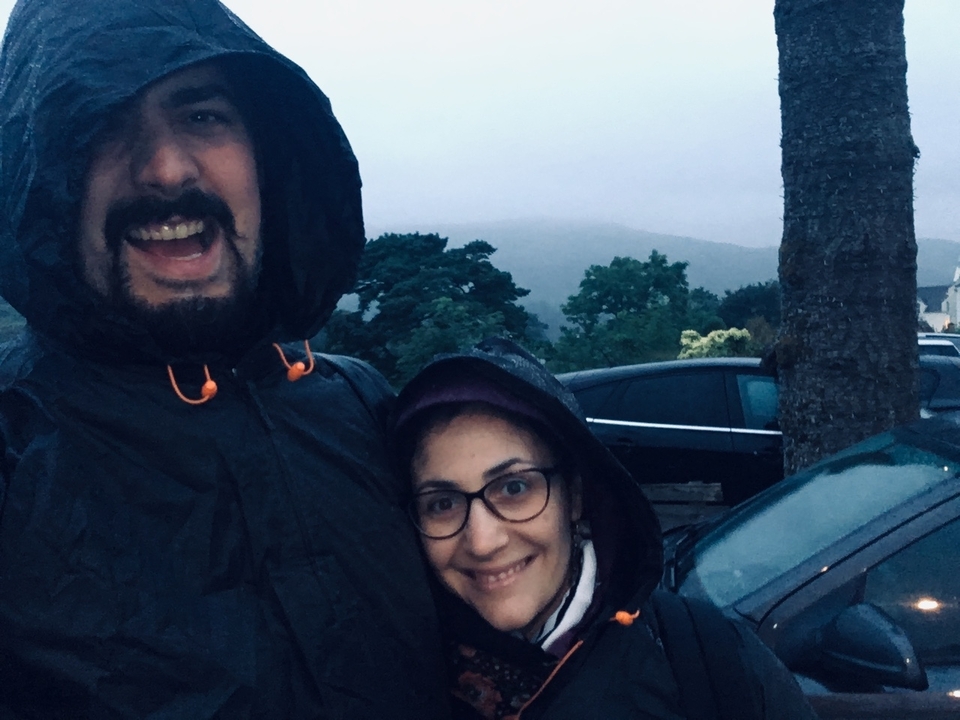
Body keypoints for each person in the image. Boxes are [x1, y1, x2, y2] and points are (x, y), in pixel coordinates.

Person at [0, 0, 448, 717]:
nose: (166, 169)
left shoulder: (364, 408)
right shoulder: (15, 451)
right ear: (40, 179)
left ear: (267, 157)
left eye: (203, 116)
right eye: (102, 126)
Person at [392, 338, 819, 720]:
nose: (483, 541)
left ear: (574, 496)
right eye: (443, 504)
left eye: (514, 487)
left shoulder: (704, 660)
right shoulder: (388, 683)